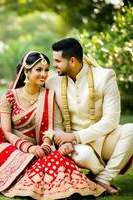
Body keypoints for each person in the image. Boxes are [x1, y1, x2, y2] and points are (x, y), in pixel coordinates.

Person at [0, 51, 104, 199]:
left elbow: (51, 129)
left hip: (39, 149)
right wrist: (28, 148)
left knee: (56, 161)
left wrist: (44, 146)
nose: (44, 74)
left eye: (46, 69)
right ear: (26, 72)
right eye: (39, 70)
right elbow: (6, 132)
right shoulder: (9, 97)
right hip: (11, 146)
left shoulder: (49, 97)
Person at [46, 37, 133, 195]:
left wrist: (75, 136)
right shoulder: (53, 83)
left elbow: (112, 120)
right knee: (83, 155)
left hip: (103, 139)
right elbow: (55, 123)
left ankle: (103, 179)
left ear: (72, 61)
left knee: (131, 130)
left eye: (57, 61)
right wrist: (59, 141)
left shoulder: (105, 76)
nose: (54, 65)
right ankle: (99, 174)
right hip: (77, 146)